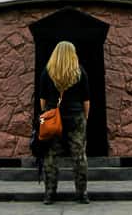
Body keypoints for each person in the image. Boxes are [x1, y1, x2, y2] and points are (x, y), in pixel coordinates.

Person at [39, 40, 90, 205]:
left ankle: (49, 194)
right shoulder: (80, 72)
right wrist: (85, 117)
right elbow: (86, 101)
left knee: (51, 156)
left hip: (54, 118)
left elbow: (42, 100)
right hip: (76, 117)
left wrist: (48, 113)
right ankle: (82, 194)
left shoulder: (47, 72)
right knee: (79, 156)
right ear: (72, 53)